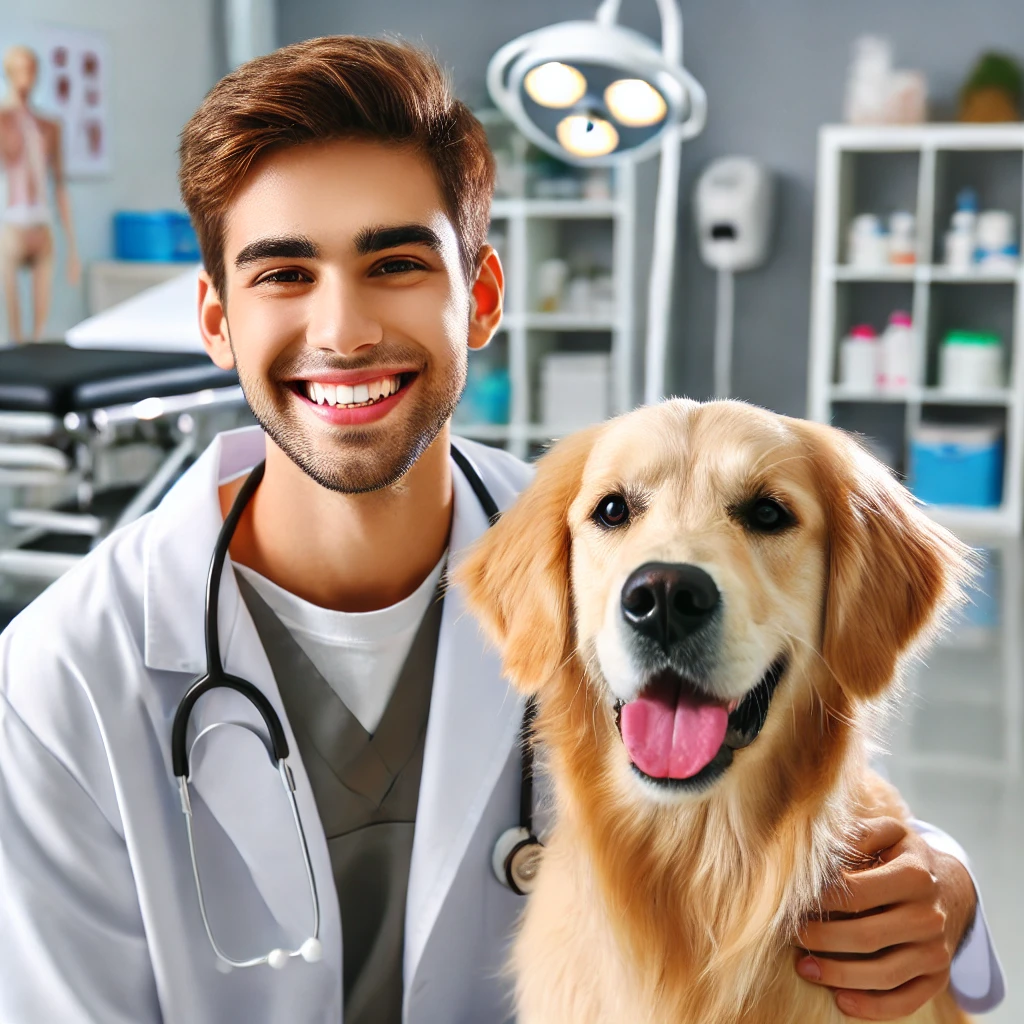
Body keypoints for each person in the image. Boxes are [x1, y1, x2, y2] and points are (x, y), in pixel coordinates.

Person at [0, 35, 1004, 1024]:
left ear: (478, 298)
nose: (342, 330)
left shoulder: (589, 546)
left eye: (394, 262)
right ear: (216, 319)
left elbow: (803, 789)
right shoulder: (62, 676)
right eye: (284, 273)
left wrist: (948, 890)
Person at [0, 44, 80, 343]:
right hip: (13, 226)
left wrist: (72, 246)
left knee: (40, 333)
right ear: (8, 72)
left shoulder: (49, 126)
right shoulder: (2, 120)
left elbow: (60, 184)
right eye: (20, 68)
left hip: (42, 226)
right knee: (13, 334)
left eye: (32, 68)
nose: (27, 76)